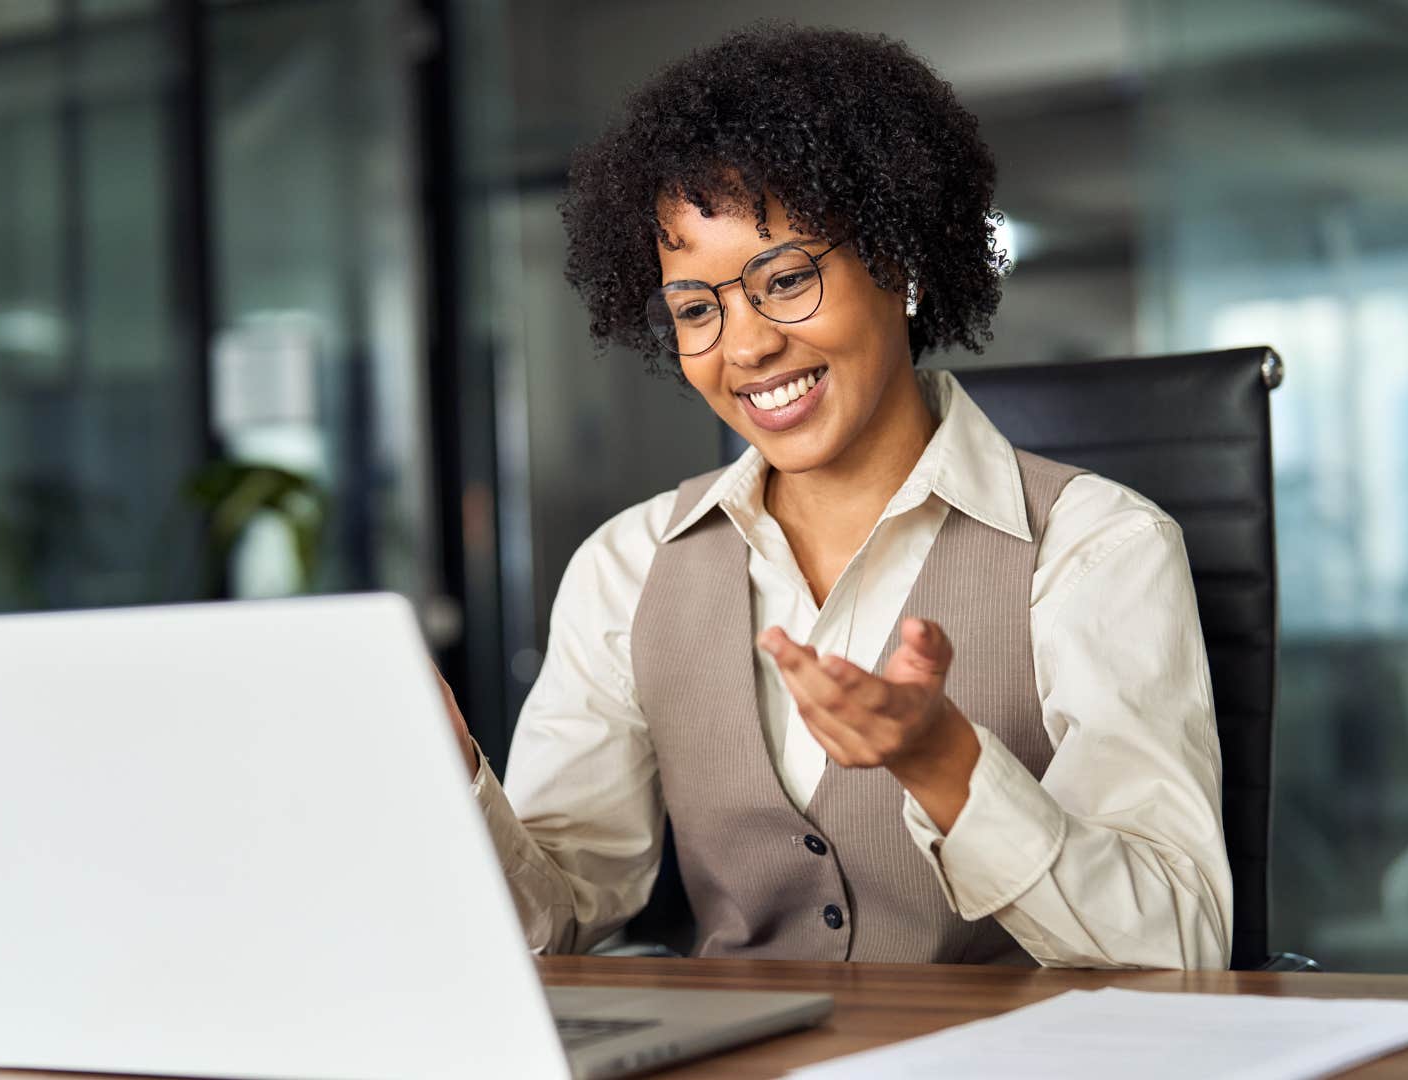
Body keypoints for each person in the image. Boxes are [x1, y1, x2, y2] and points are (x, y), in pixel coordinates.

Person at [439, 22, 1232, 970]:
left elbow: (1180, 948)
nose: (746, 348)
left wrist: (946, 765)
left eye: (785, 279)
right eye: (698, 309)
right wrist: (451, 779)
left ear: (897, 263)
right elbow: (556, 921)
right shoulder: (629, 566)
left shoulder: (1097, 547)